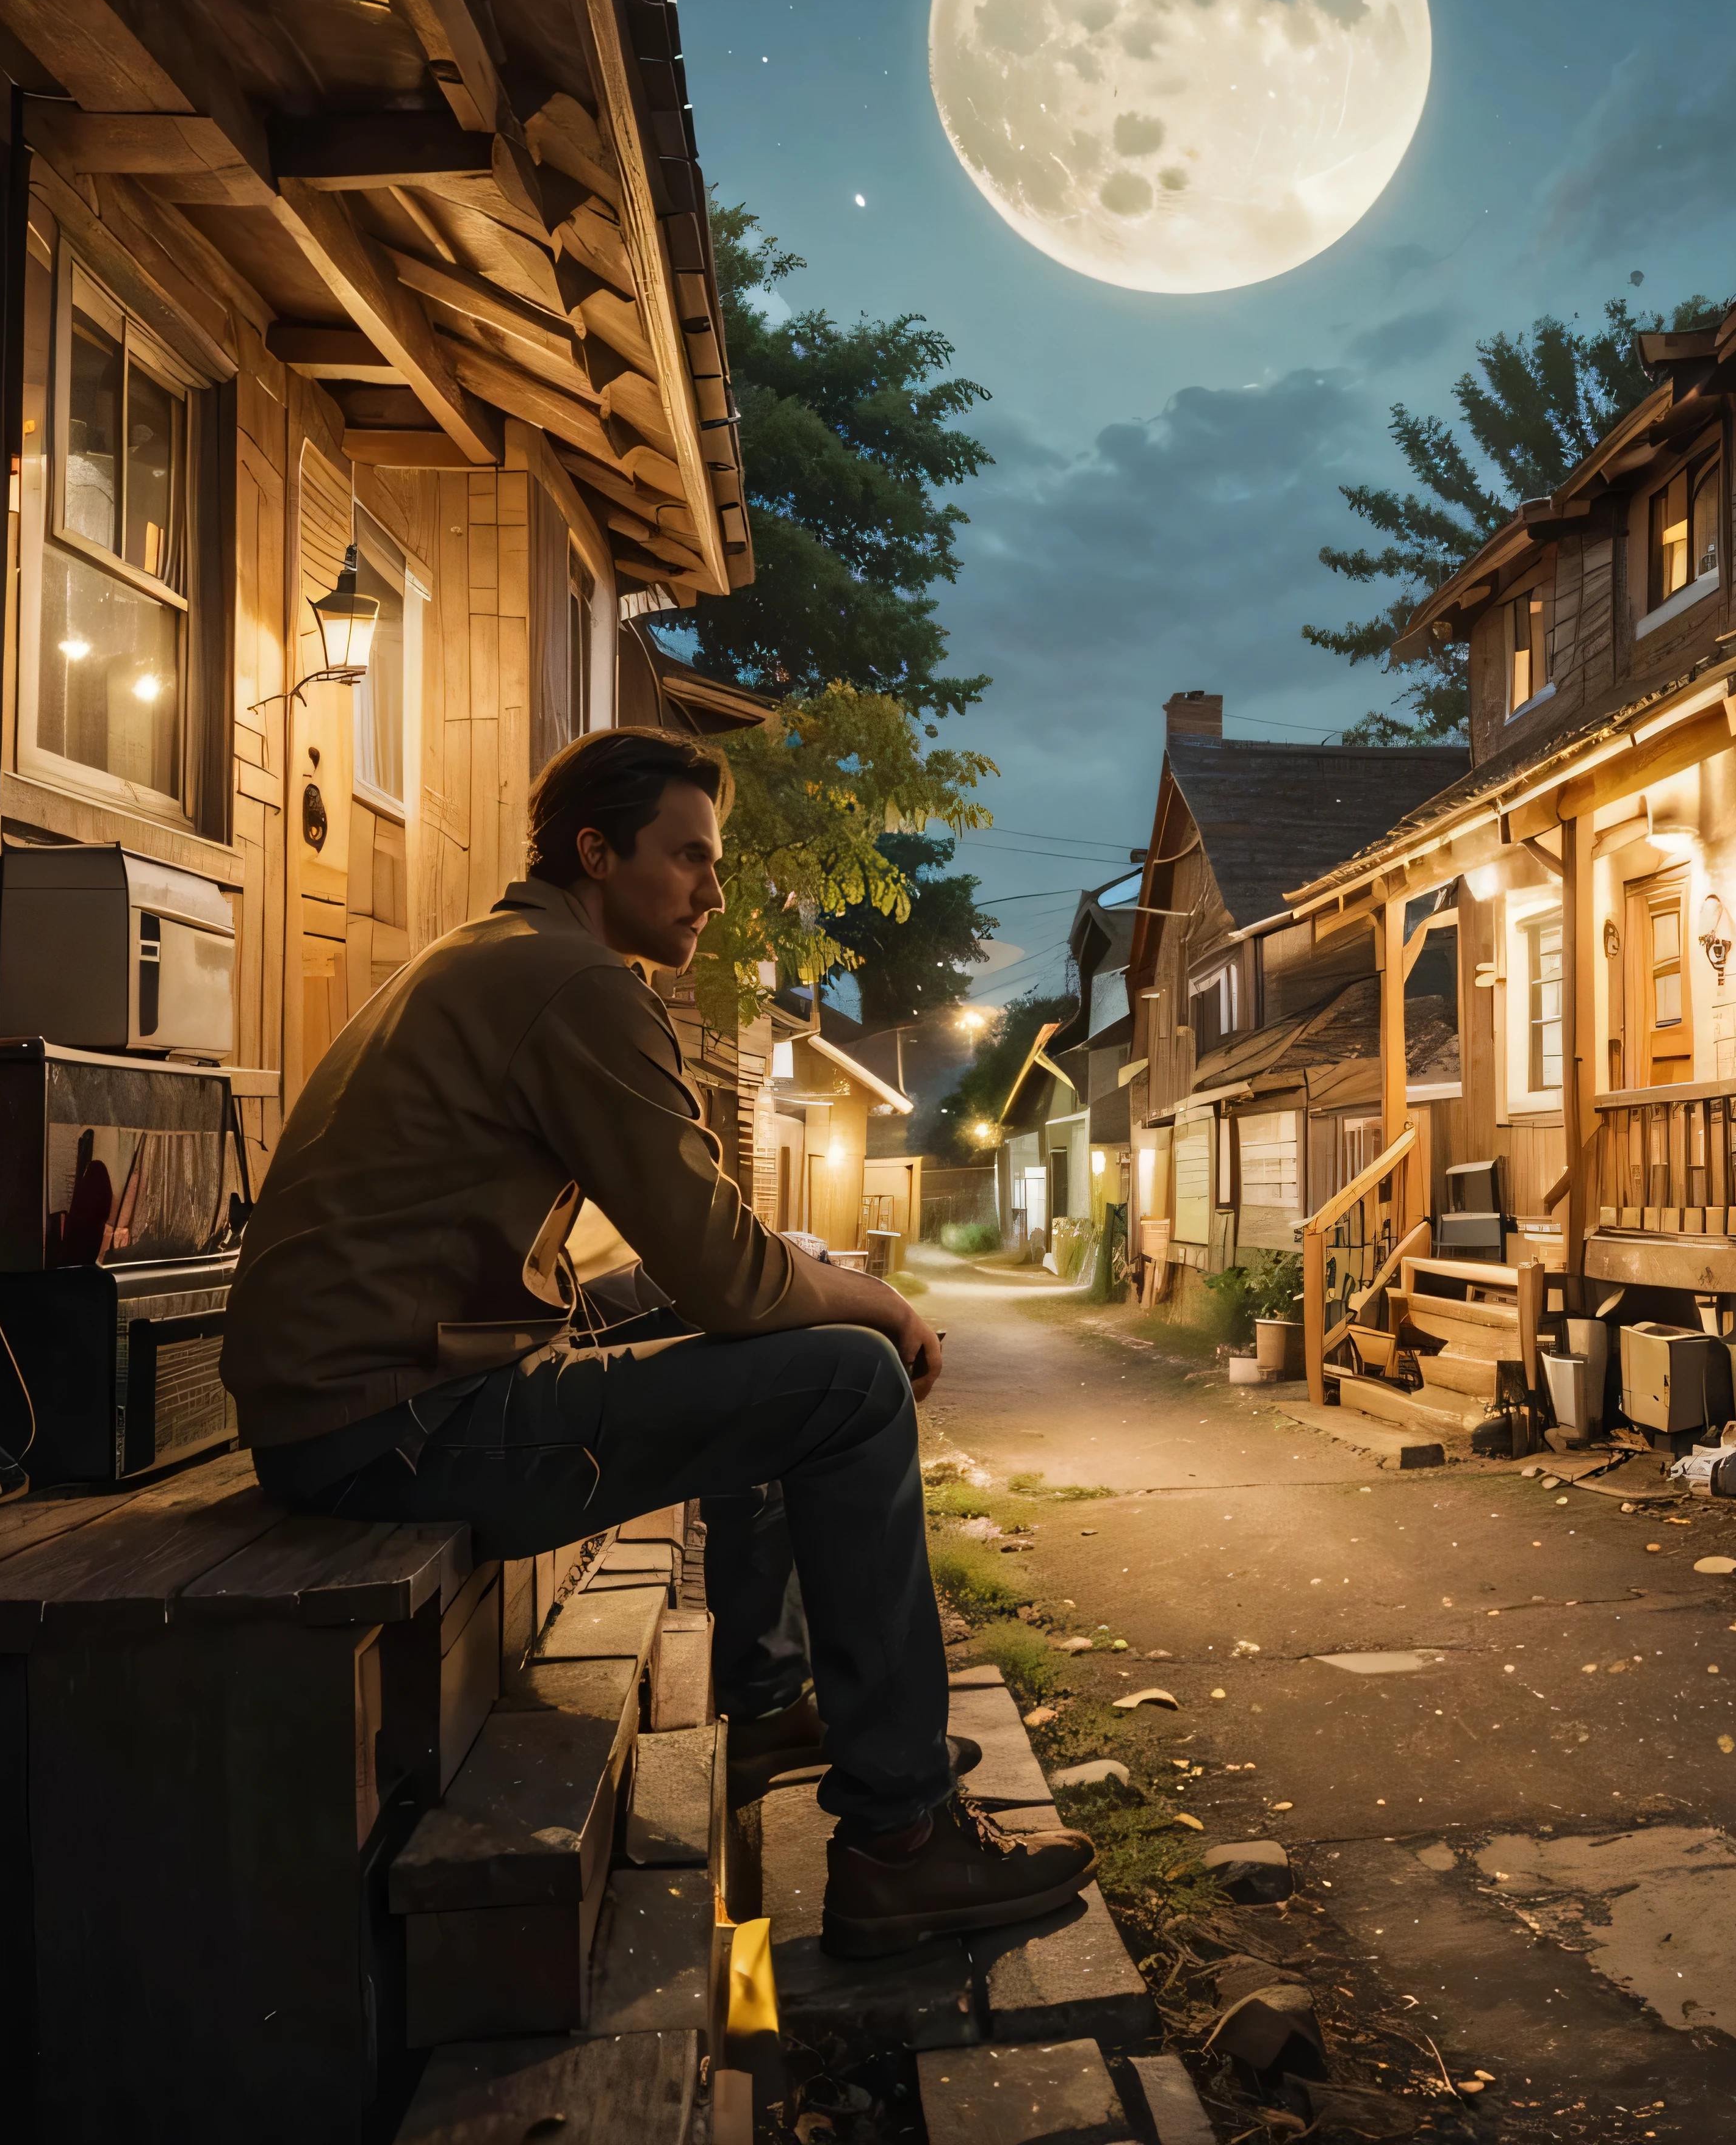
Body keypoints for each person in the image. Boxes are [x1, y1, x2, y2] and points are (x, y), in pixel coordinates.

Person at [220, 726, 1092, 1958]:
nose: (712, 889)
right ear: (596, 850)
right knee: (845, 1377)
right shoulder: (575, 982)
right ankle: (901, 1838)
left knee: (666, 1300)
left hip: (367, 1390)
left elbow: (698, 1262)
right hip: (394, 1427)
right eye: (687, 857)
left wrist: (815, 1280)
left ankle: (765, 1688)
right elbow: (734, 1273)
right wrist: (880, 1301)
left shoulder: (498, 951)